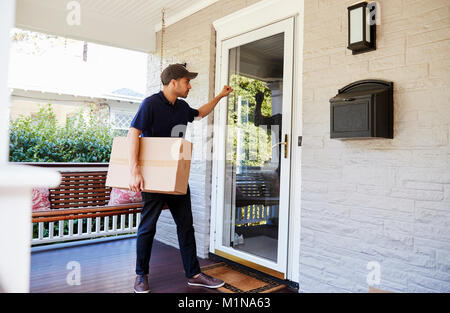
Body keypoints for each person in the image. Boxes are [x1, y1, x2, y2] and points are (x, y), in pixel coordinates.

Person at [128, 63, 233, 293]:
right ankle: (141, 275)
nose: (190, 86)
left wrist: (220, 96)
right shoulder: (151, 104)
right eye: (187, 81)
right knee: (148, 227)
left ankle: (194, 273)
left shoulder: (182, 107)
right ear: (173, 82)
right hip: (153, 177)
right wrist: (135, 170)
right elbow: (133, 133)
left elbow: (201, 113)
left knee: (186, 225)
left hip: (176, 176)